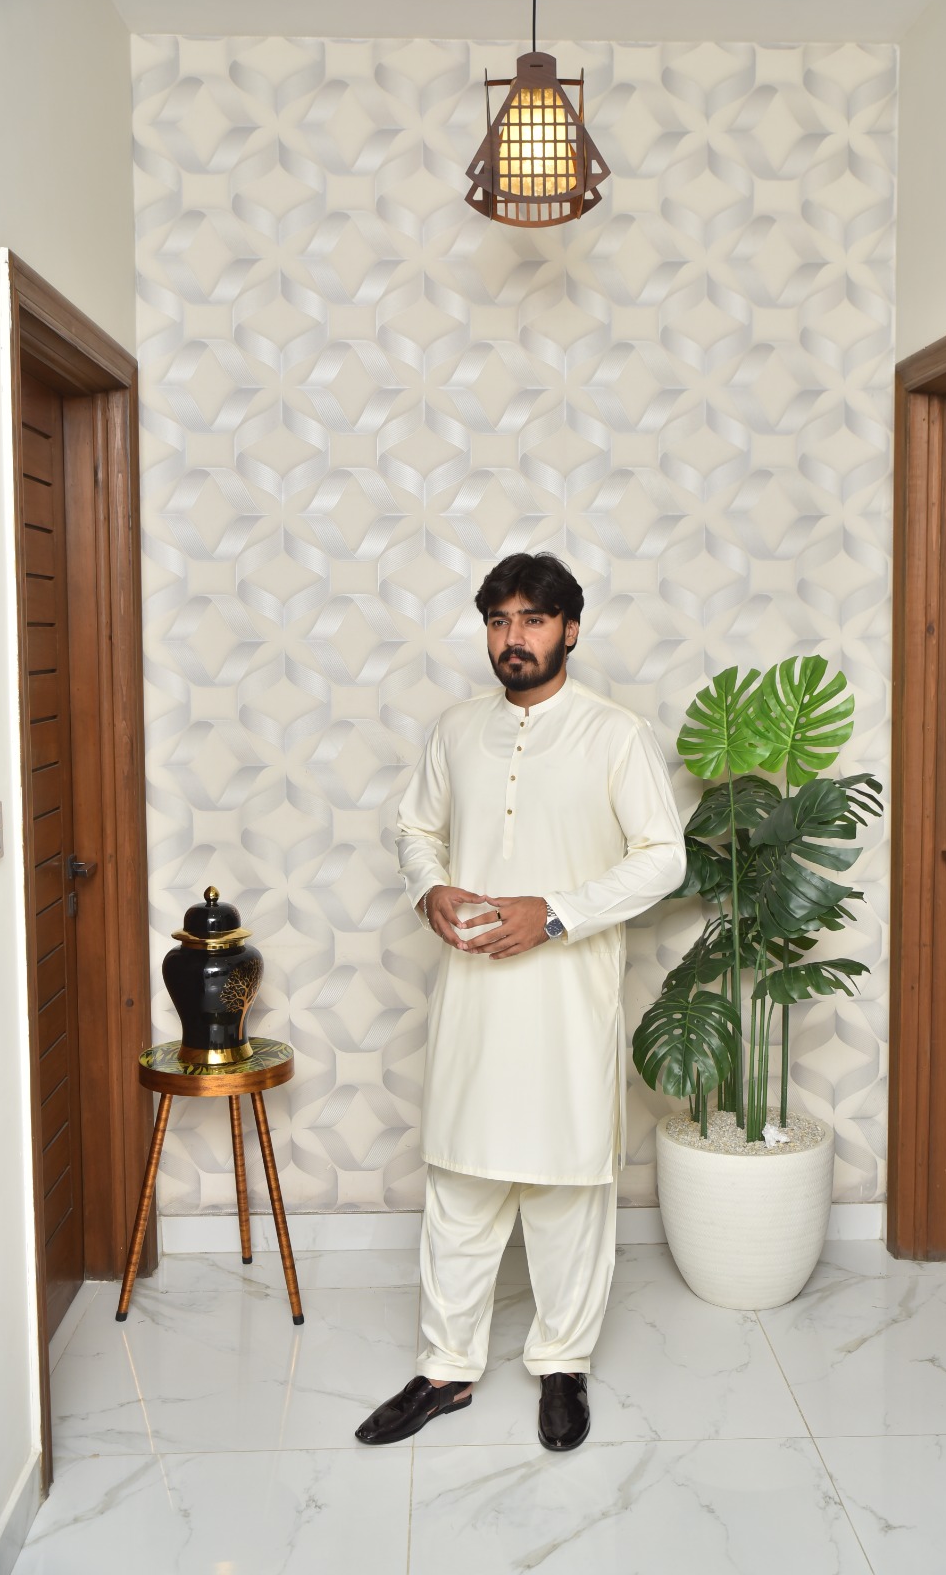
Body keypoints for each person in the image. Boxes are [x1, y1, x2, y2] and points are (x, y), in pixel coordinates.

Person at [355, 552, 686, 1451]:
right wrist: (429, 888)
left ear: (570, 629)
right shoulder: (456, 731)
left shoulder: (615, 735)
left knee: (566, 1186)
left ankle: (562, 1364)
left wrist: (557, 913)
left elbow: (664, 857)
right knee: (461, 1179)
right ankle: (445, 1369)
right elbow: (415, 828)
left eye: (533, 620)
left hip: (568, 998)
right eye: (499, 620)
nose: (515, 638)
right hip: (473, 997)